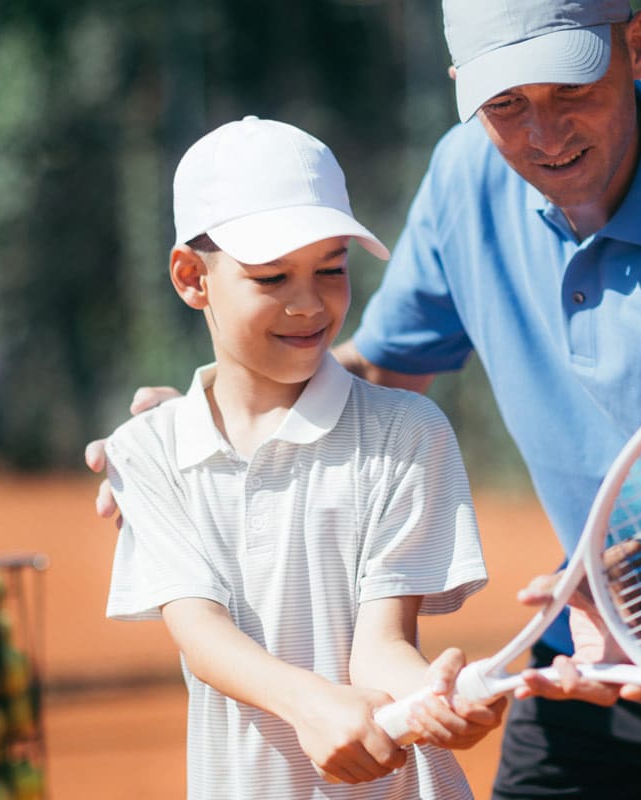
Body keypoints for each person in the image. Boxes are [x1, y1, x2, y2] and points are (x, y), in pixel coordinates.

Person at [91, 1, 641, 797]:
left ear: (638, 45)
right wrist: (226, 420)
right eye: (506, 103)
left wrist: (629, 583)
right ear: (461, 85)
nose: (544, 136)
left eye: (571, 90)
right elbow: (372, 374)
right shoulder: (465, 176)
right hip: (591, 643)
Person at [101, 115, 503, 800]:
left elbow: (383, 645)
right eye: (271, 277)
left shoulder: (407, 432)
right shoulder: (147, 449)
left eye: (331, 269)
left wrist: (435, 697)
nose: (310, 302)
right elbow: (201, 635)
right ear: (192, 277)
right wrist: (312, 704)